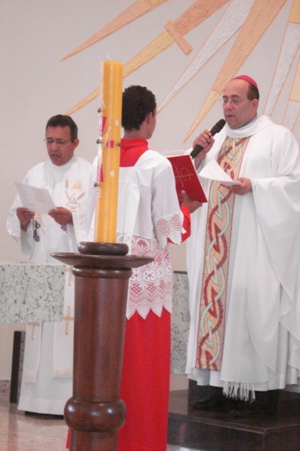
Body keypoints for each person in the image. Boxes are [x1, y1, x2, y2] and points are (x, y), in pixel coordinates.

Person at [66, 85, 201, 450]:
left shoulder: (100, 160)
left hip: (105, 278)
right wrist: (189, 208)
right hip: (144, 280)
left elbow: (89, 216)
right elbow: (170, 230)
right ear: (149, 117)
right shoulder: (155, 164)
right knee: (142, 373)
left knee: (103, 367)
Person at [186, 75, 300, 416]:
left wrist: (257, 186)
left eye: (236, 100)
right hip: (213, 252)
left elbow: (294, 185)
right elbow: (190, 188)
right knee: (217, 312)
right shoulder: (215, 141)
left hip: (256, 249)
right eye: (224, 99)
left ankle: (260, 395)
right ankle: (216, 389)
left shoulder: (277, 138)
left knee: (252, 312)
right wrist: (198, 158)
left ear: (254, 103)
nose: (228, 106)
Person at [7, 114, 92, 415]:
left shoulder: (89, 173)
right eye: (49, 141)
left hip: (71, 269)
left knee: (65, 331)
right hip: (42, 265)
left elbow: (97, 224)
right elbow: (14, 220)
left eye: (60, 142)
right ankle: (35, 400)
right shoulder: (35, 173)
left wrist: (73, 221)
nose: (54, 148)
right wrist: (23, 221)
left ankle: (65, 403)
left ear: (75, 142)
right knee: (40, 331)